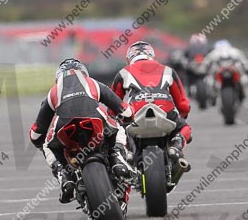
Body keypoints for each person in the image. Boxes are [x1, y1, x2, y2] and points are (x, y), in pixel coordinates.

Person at [29, 58, 134, 204]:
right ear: (84, 73)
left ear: (58, 77)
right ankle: (117, 158)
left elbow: (35, 133)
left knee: (47, 146)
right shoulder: (94, 83)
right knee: (119, 128)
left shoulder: (52, 92)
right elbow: (126, 111)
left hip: (64, 127)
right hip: (95, 119)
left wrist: (40, 143)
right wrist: (127, 117)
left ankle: (64, 176)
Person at [111, 41, 193, 174]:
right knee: (185, 127)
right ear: (152, 55)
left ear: (129, 58)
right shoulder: (168, 70)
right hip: (165, 113)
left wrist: (114, 118)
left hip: (135, 115)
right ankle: (176, 146)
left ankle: (128, 152)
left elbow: (113, 104)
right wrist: (183, 115)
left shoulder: (123, 72)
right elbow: (183, 104)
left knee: (119, 130)